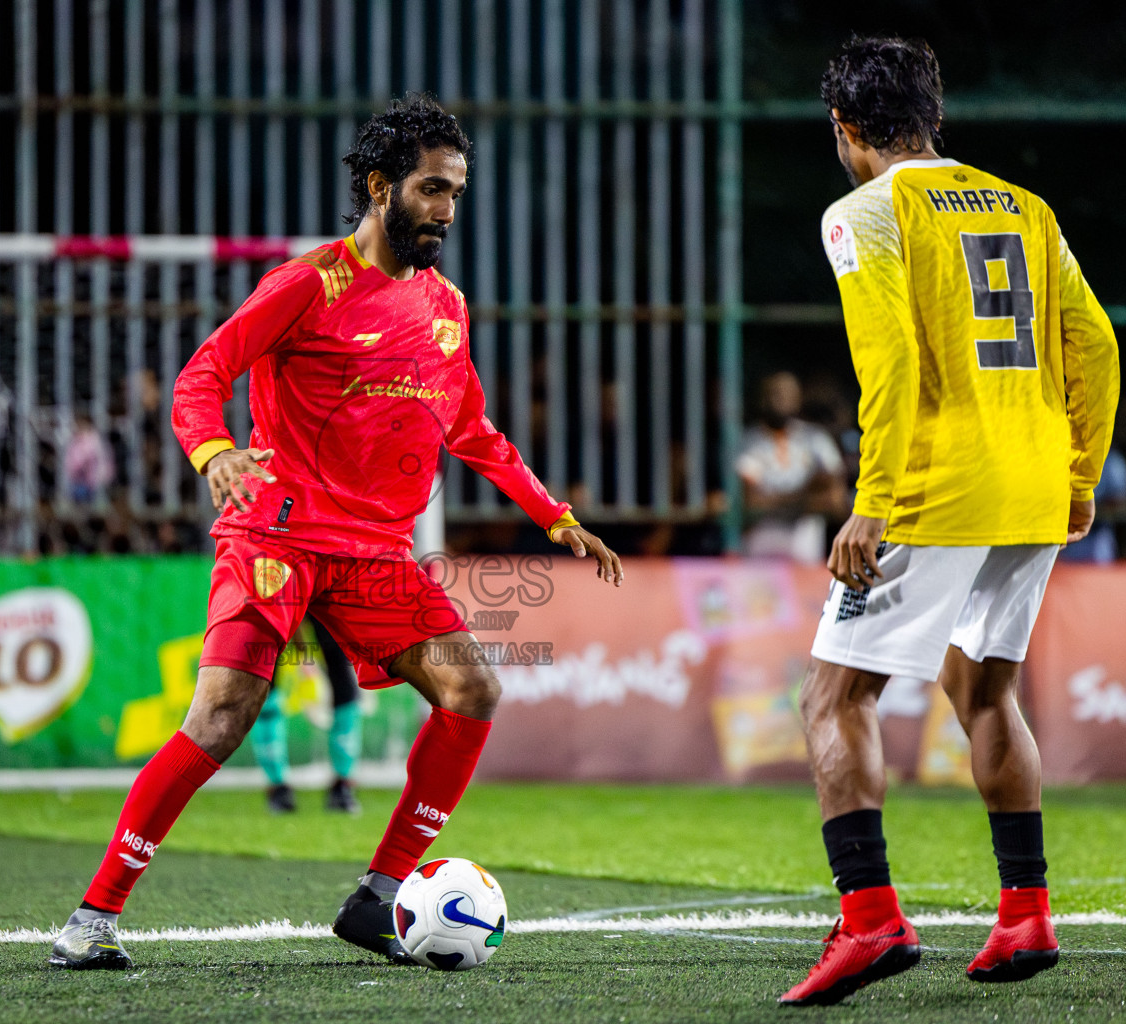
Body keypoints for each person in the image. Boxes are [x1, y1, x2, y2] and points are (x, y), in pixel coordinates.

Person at [48, 93, 622, 970]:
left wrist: (556, 516)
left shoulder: (446, 308)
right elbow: (202, 376)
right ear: (379, 184)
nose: (447, 210)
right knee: (222, 714)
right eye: (432, 189)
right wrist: (213, 456)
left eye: (458, 193)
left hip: (377, 555)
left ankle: (380, 896)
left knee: (472, 692)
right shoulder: (306, 284)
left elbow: (472, 429)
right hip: (276, 536)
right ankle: (93, 919)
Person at [781, 37, 1120, 1006]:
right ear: (933, 113)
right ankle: (1024, 915)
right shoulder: (1026, 205)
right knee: (984, 689)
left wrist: (875, 499)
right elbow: (1093, 342)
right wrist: (1080, 471)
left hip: (938, 482)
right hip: (1030, 485)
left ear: (847, 127)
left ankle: (870, 918)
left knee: (832, 696)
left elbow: (889, 366)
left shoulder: (864, 212)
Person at [253, 617, 364, 814]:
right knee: (264, 679)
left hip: (320, 590)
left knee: (343, 675)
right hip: (274, 593)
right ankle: (277, 785)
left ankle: (343, 783)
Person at [736, 371, 848, 562]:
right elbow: (751, 500)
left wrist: (777, 501)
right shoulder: (747, 441)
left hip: (805, 548)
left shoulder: (816, 439)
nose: (779, 401)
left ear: (798, 398)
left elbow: (834, 499)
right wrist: (806, 494)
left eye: (787, 395)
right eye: (774, 394)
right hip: (760, 546)